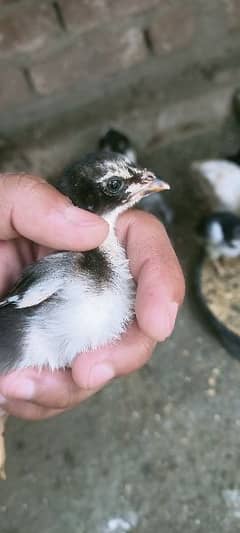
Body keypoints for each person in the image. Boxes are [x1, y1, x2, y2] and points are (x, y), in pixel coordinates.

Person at [0, 173, 185, 420]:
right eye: (115, 185)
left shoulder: (86, 264)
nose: (147, 181)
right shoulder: (65, 267)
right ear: (88, 197)